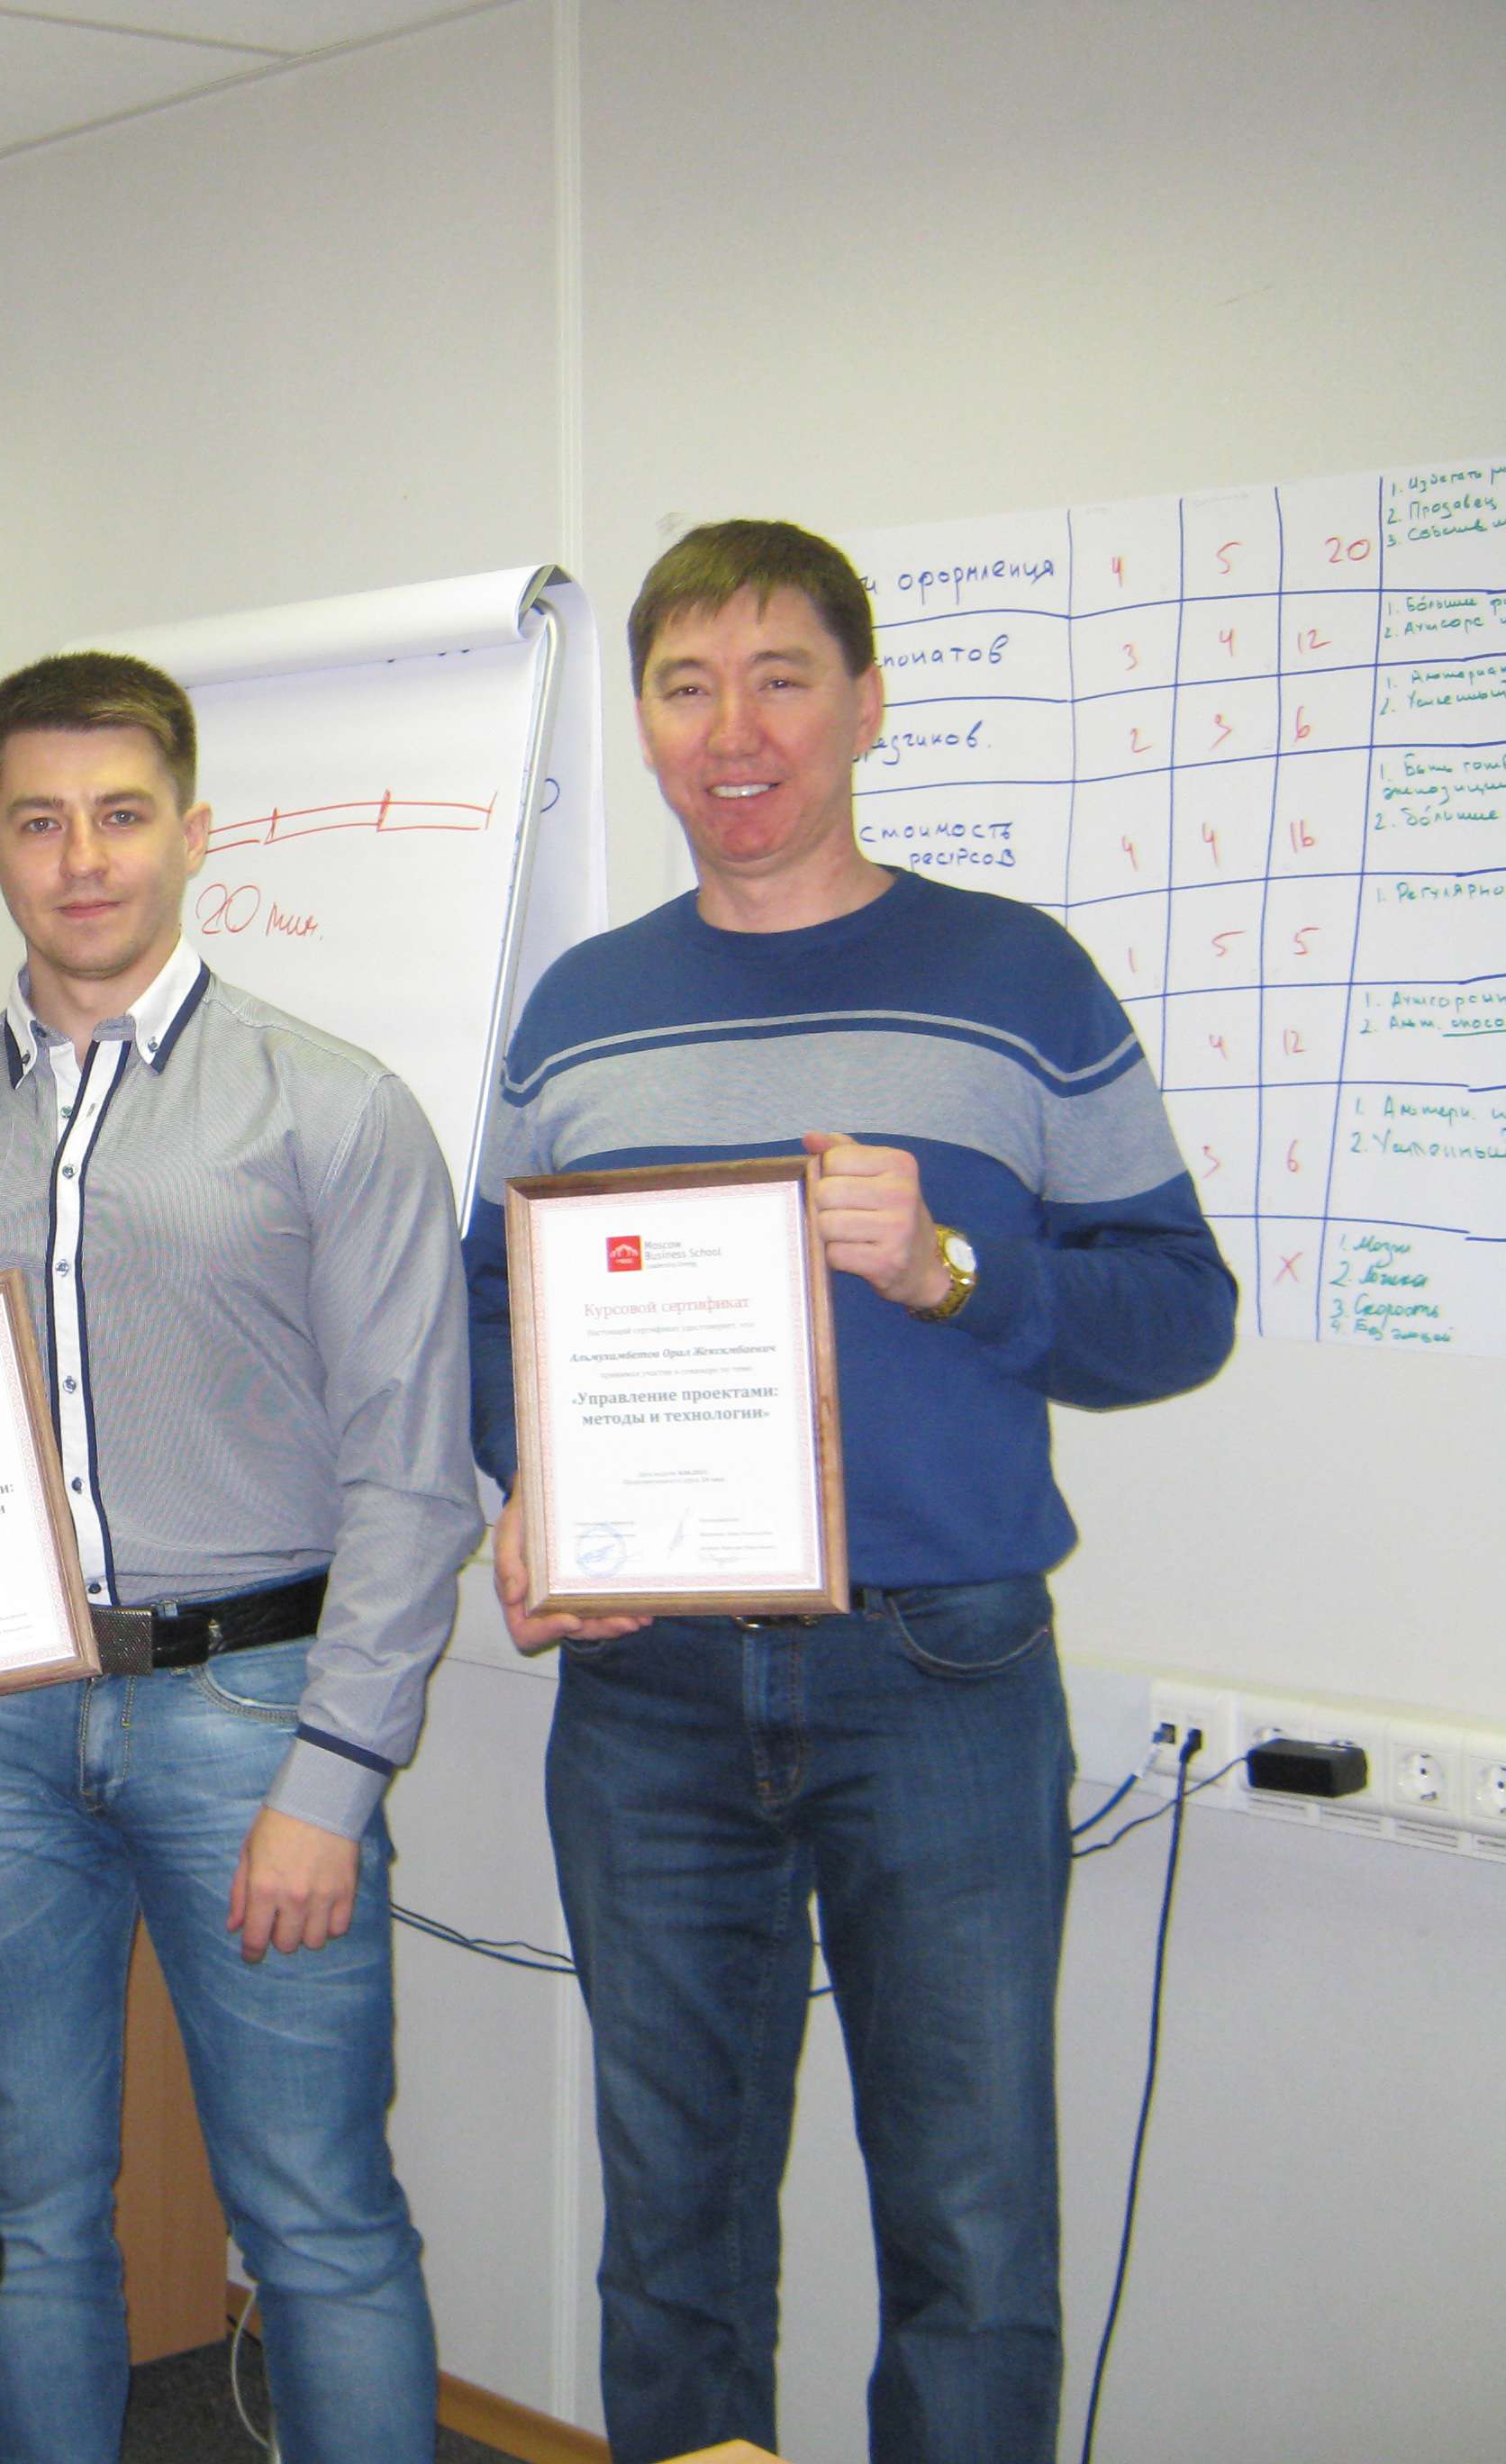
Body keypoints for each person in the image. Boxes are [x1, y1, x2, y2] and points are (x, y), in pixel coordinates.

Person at [466, 521, 1238, 2464]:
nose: (734, 731)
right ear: (648, 724)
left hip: (941, 1679)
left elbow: (1181, 1312)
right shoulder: (581, 1008)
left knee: (970, 2229)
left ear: (867, 705)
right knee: (672, 2233)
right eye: (687, 686)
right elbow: (491, 1311)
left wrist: (953, 1269)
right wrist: (528, 1491)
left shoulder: (1015, 978)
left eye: (781, 679)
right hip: (647, 1684)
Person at [0, 652, 477, 2464]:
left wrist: (334, 1777)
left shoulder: (333, 1106)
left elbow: (414, 1477)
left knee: (315, 2217)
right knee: (24, 2202)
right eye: (40, 822)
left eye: (119, 816)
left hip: (254, 1718)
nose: (81, 860)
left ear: (195, 832)